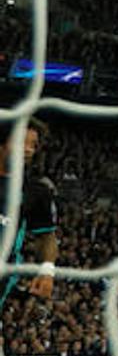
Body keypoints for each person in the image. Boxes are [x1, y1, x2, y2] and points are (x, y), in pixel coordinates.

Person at [0, 118, 58, 313]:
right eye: (22, 142)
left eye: (33, 145)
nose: (28, 150)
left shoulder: (36, 190)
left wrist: (47, 271)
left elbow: (46, 237)